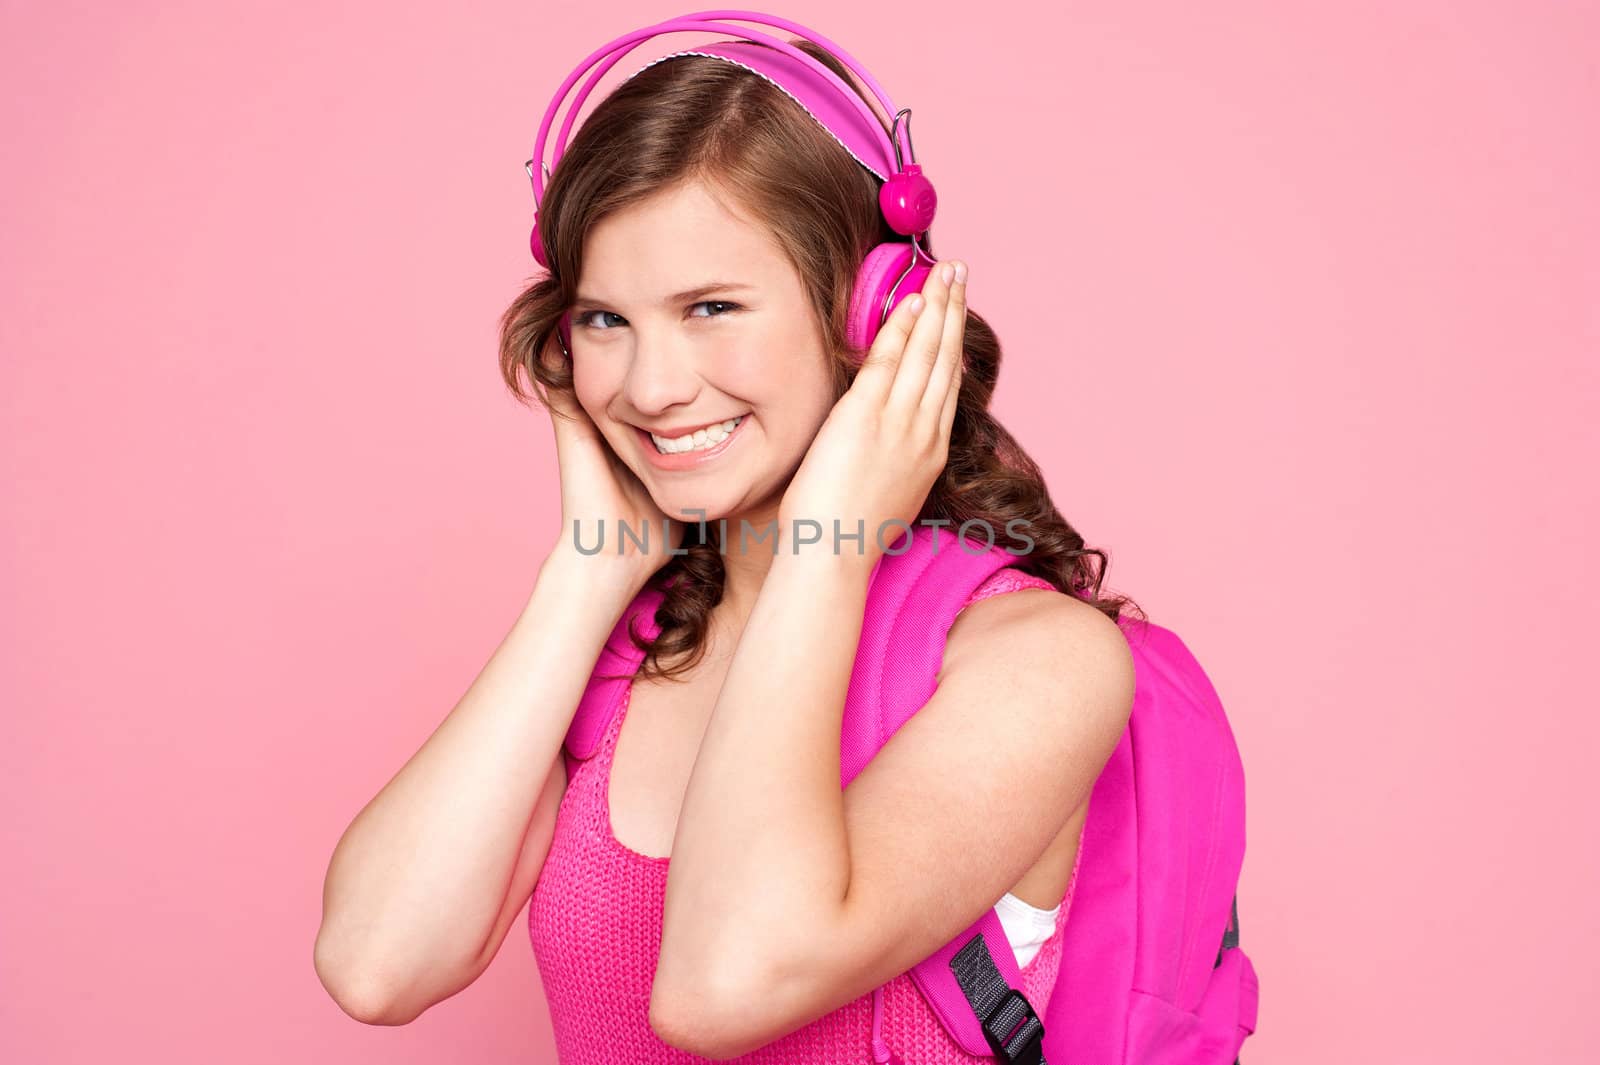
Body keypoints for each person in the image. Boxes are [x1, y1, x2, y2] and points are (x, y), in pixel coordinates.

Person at [314, 30, 1142, 1064]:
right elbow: (377, 965)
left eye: (710, 308)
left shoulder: (1036, 661)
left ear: (870, 311)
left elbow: (722, 988)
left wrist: (824, 550)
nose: (651, 387)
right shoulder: (625, 647)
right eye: (605, 320)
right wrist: (587, 571)